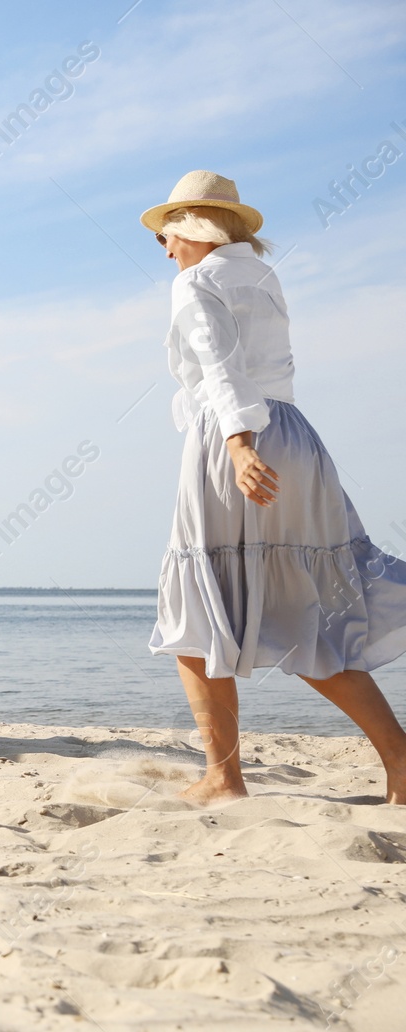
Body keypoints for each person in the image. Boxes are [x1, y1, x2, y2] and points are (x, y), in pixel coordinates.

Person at [143, 170, 406, 805]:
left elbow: (219, 367)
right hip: (294, 434)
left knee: (194, 618)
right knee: (311, 610)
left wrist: (236, 445)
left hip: (237, 437)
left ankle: (224, 777)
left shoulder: (196, 281)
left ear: (191, 230)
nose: (164, 249)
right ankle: (401, 760)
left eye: (167, 235)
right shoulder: (262, 279)